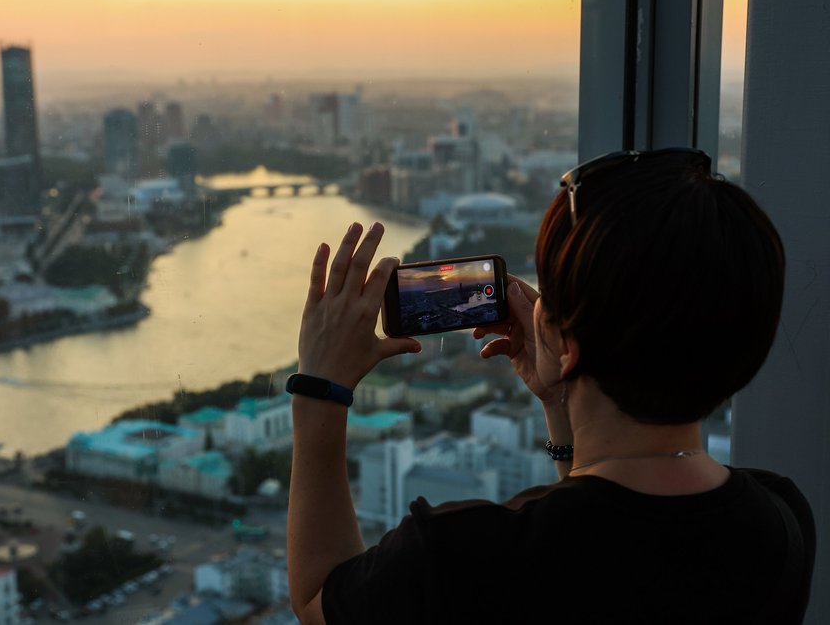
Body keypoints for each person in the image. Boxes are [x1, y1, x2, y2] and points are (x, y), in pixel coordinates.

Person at [285, 149, 815, 624]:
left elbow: (316, 599)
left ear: (565, 338)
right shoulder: (781, 523)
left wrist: (320, 389)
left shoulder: (460, 557)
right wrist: (562, 399)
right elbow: (618, 539)